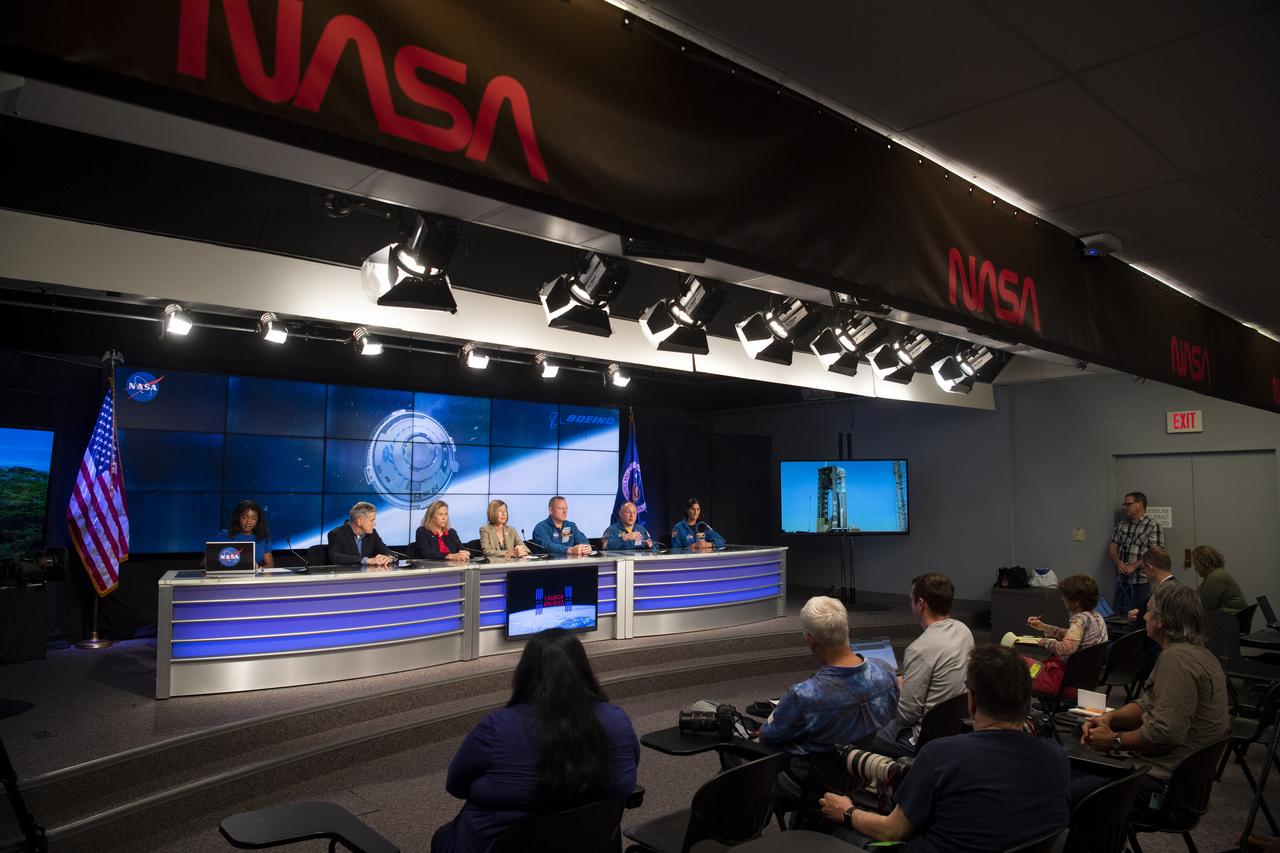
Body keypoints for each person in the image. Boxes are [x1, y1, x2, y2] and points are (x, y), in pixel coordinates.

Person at [820, 645, 1070, 852]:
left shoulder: (940, 756)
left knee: (834, 829)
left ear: (971, 699)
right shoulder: (1056, 756)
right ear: (1027, 699)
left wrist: (847, 812)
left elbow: (891, 831)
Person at [431, 628, 640, 853]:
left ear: (525, 674)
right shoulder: (616, 721)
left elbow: (456, 785)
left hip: (501, 844)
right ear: (584, 670)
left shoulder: (496, 728)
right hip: (587, 842)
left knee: (442, 837)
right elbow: (626, 783)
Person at [1074, 582, 1230, 815]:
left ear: (1162, 621)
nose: (1145, 617)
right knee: (1072, 776)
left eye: (1149, 611)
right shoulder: (1200, 654)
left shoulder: (1176, 661)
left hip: (1161, 786)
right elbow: (1148, 703)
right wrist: (1110, 718)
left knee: (1062, 791)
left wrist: (1115, 740)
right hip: (1181, 783)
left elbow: (1165, 732)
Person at [756, 596, 898, 794]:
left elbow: (767, 738)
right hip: (858, 775)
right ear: (847, 629)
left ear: (810, 640)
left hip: (808, 784)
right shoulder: (886, 672)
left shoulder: (804, 696)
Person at [872, 573, 974, 757]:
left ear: (921, 604)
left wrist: (890, 693)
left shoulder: (918, 649)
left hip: (922, 739)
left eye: (911, 599)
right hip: (956, 728)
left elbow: (905, 716)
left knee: (862, 729)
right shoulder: (964, 631)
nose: (910, 603)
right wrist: (906, 683)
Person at [1025, 573, 1108, 697]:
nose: (1062, 599)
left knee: (1020, 664)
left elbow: (1066, 648)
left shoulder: (1079, 619)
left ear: (1076, 602)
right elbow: (1073, 637)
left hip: (1065, 682)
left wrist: (1045, 642)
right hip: (1085, 680)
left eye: (1065, 596)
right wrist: (1044, 627)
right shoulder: (1096, 617)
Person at [1109, 490, 1165, 614]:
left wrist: (1135, 566)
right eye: (1125, 504)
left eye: (1128, 504)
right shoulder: (1122, 525)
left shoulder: (1153, 526)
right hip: (1122, 580)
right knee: (1120, 614)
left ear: (1140, 504)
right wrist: (1118, 562)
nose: (1125, 507)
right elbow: (1113, 547)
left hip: (1142, 581)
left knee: (1141, 615)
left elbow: (1156, 553)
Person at [327, 501, 394, 566]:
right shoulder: (336, 534)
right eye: (372, 520)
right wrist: (366, 560)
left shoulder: (372, 533)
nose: (374, 524)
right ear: (360, 521)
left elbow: (386, 551)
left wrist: (390, 558)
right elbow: (335, 557)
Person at [1192, 544, 1248, 615]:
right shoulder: (1215, 573)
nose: (1195, 569)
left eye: (1196, 564)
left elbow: (1205, 607)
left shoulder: (1214, 577)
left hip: (1232, 617)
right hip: (1234, 616)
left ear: (1203, 562)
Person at [216, 499, 274, 568]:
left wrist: (257, 568)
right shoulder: (224, 535)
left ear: (258, 520)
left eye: (254, 518)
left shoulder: (262, 537)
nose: (249, 522)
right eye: (244, 517)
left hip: (254, 574)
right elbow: (209, 561)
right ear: (237, 517)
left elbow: (270, 565)